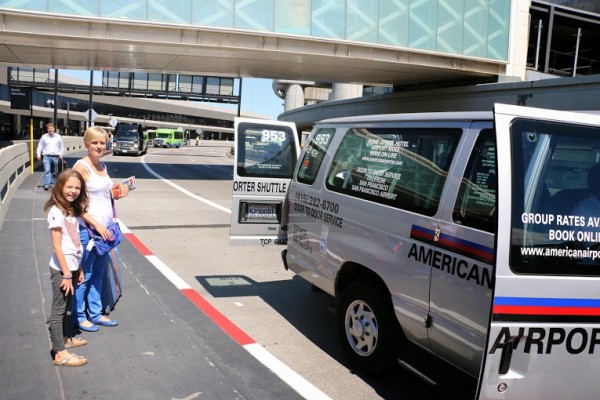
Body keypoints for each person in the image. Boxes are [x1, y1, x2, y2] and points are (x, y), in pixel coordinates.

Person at [73, 126, 129, 332]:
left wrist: (118, 194)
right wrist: (95, 224)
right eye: (94, 142)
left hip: (105, 230)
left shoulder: (102, 165)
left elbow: (102, 196)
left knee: (97, 274)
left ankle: (94, 313)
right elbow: (74, 203)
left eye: (102, 142)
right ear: (86, 144)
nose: (99, 146)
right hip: (88, 231)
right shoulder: (81, 167)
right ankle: (80, 317)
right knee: (84, 276)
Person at [44, 169, 89, 367]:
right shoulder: (56, 211)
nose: (73, 191)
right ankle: (59, 353)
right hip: (62, 271)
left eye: (77, 187)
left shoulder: (71, 210)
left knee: (68, 307)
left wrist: (78, 269)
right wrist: (67, 274)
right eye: (69, 187)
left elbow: (75, 243)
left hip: (71, 269)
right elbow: (57, 246)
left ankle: (64, 338)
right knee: (58, 311)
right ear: (60, 187)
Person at [36, 123, 65, 191]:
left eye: (51, 128)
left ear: (54, 129)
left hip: (55, 157)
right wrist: (38, 154)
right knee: (47, 170)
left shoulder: (58, 137)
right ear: (47, 129)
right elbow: (40, 146)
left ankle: (53, 183)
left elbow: (61, 147)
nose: (50, 129)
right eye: (49, 128)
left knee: (55, 171)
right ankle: (47, 184)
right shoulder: (44, 137)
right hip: (46, 156)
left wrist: (61, 155)